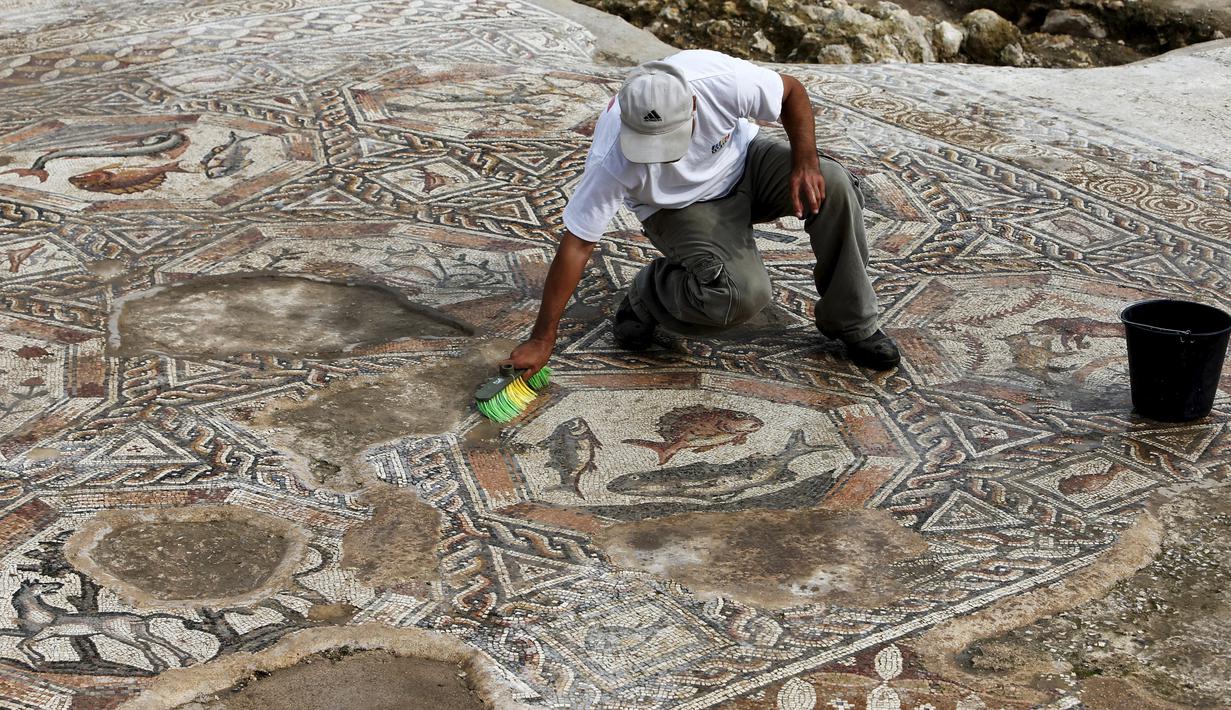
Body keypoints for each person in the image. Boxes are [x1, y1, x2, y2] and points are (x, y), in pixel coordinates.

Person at [503, 49, 900, 377]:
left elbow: (791, 92)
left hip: (746, 163)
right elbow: (577, 244)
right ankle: (648, 294)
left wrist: (805, 162)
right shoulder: (612, 153)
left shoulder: (719, 80)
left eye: (669, 140)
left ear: (693, 105)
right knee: (741, 294)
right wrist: (542, 338)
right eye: (647, 143)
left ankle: (852, 322)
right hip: (678, 207)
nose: (659, 155)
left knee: (834, 185)